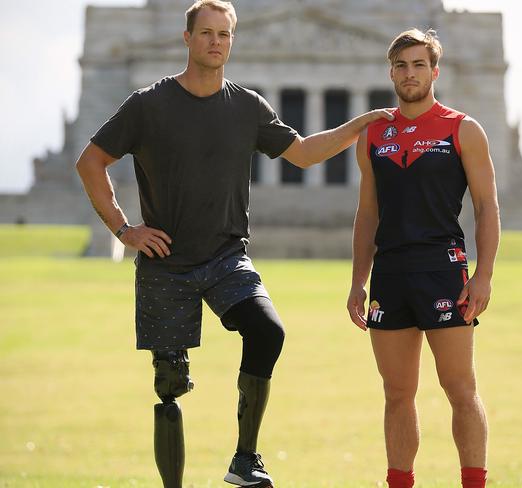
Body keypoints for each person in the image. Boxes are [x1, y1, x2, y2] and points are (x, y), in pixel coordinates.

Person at [75, 1, 392, 487]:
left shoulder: (247, 107)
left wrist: (362, 122)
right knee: (169, 385)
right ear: (187, 39)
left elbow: (305, 154)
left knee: (268, 331)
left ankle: (245, 459)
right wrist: (124, 230)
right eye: (206, 33)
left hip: (227, 257)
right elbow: (90, 162)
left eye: (224, 34)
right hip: (166, 262)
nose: (216, 42)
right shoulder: (148, 104)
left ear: (232, 40)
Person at [346, 28, 500, 488]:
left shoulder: (462, 128)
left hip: (444, 272)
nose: (409, 73)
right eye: (400, 65)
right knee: (397, 394)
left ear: (434, 71)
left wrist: (484, 275)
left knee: (460, 389)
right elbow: (367, 212)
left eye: (418, 65)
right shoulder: (374, 134)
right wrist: (358, 280)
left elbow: (486, 206)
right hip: (391, 276)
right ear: (390, 72)